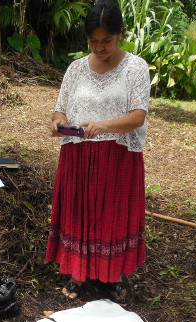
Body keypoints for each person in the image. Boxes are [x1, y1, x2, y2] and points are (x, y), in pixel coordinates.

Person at [47, 0, 149, 302]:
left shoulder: (135, 67)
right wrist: (59, 124)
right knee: (78, 212)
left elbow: (137, 116)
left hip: (117, 157)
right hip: (78, 155)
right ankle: (77, 272)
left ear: (120, 34)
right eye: (93, 40)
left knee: (112, 214)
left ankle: (113, 274)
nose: (100, 46)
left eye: (107, 40)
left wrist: (102, 126)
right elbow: (60, 110)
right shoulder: (76, 69)